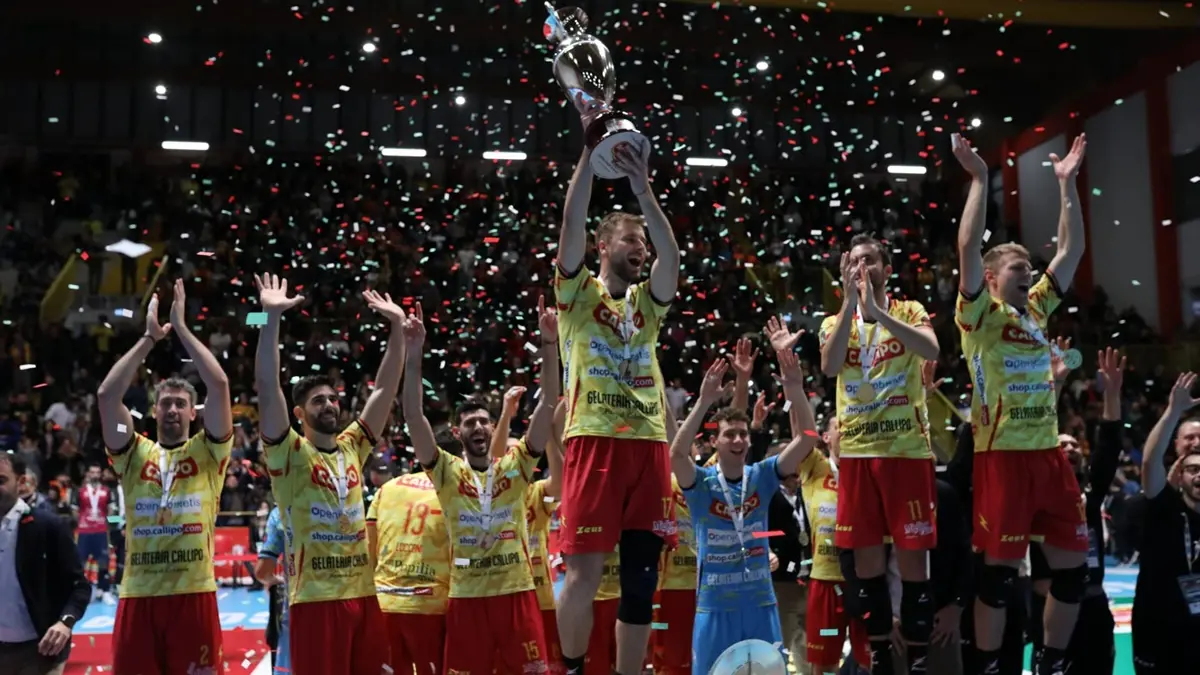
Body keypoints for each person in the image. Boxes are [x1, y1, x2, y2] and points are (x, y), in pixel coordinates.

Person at [951, 132, 1089, 675]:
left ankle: (1051, 662)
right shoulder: (978, 315)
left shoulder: (1036, 309)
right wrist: (980, 180)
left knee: (1074, 571)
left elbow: (1071, 251)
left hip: (1048, 455)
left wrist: (1067, 185)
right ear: (990, 278)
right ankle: (987, 666)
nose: (1029, 271)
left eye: (1030, 266)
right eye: (1018, 267)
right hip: (1002, 456)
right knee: (1000, 577)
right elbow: (967, 248)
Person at [554, 135, 681, 675]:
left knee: (641, 580)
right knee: (583, 575)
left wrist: (643, 190)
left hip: (649, 443)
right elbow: (571, 222)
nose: (643, 248)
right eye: (631, 239)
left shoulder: (649, 304)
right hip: (594, 438)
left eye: (643, 243)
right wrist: (589, 153)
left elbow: (673, 256)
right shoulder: (577, 294)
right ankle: (573, 668)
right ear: (602, 247)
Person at [254, 275, 405, 675]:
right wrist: (270, 318)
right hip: (315, 600)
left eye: (333, 398)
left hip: (364, 594)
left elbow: (384, 390)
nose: (329, 405)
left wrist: (397, 328)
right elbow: (267, 388)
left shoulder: (353, 446)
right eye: (318, 400)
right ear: (299, 413)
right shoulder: (288, 453)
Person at [401, 296, 559, 675]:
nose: (477, 427)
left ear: (492, 427)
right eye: (469, 422)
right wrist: (414, 352)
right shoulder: (446, 471)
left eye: (483, 421)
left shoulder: (516, 466)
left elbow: (548, 406)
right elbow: (414, 416)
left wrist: (550, 344)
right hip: (467, 597)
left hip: (517, 593)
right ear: (458, 433)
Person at [815, 231, 941, 675]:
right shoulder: (834, 322)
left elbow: (931, 348)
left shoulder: (910, 310)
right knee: (867, 566)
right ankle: (883, 658)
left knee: (913, 562)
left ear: (886, 269)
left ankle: (920, 659)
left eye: (869, 260)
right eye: (853, 261)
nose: (861, 267)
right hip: (856, 454)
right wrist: (852, 304)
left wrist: (879, 313)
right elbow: (829, 366)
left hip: (906, 452)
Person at [98, 280, 234, 675]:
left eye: (180, 404)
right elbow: (107, 396)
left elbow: (220, 385)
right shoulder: (131, 452)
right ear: (154, 411)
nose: (172, 409)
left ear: (193, 413)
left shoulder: (209, 451)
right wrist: (148, 339)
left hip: (194, 595)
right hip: (138, 595)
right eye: (165, 404)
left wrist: (183, 329)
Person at [671, 347, 819, 675]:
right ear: (715, 442)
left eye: (743, 434)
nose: (738, 440)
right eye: (729, 435)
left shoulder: (762, 477)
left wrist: (795, 388)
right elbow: (677, 454)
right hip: (715, 606)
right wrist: (704, 401)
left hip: (760, 603)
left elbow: (808, 439)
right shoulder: (702, 483)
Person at [1029, 348, 1124, 675]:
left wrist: (1112, 392)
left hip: (1094, 609)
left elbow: (1109, 446)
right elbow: (1036, 434)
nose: (1069, 448)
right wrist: (1055, 383)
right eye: (1061, 445)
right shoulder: (1036, 492)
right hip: (1050, 608)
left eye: (1074, 445)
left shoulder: (1090, 495)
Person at [367, 435, 456, 675]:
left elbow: (368, 550)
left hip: (384, 602)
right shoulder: (456, 489)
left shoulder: (387, 488)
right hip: (431, 606)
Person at [1131, 372, 1200, 673]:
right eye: (1190, 438)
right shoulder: (1163, 500)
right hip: (1159, 629)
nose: (1196, 444)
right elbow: (1150, 462)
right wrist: (1173, 411)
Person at [0, 453, 90, 675]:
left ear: (21, 482)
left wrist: (65, 622)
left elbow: (79, 586)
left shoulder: (49, 526)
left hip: (40, 650)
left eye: (1, 480)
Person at [254, 505, 291, 674]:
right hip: (347, 603)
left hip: (301, 607)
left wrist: (277, 580)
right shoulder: (346, 504)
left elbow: (262, 571)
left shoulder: (281, 512)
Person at [75, 461, 116, 605]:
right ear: (88, 473)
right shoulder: (79, 491)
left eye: (98, 472)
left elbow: (111, 511)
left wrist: (104, 522)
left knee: (104, 562)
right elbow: (75, 511)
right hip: (84, 531)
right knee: (80, 564)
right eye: (92, 472)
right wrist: (84, 522)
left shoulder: (107, 491)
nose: (95, 475)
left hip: (101, 531)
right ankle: (80, 594)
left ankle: (104, 591)